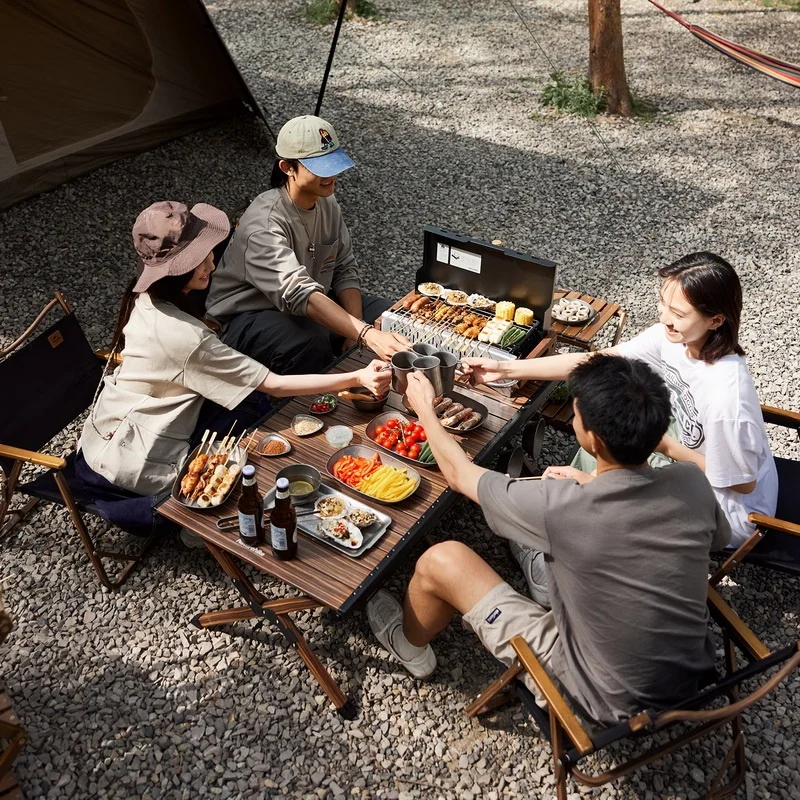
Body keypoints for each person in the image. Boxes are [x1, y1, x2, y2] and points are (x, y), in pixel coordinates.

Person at [367, 356, 731, 725]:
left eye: (576, 414)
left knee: (440, 559)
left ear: (593, 439)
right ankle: (542, 586)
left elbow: (461, 476)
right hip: (690, 673)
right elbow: (718, 538)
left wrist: (424, 410)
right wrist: (592, 483)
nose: (574, 419)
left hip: (599, 699)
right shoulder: (691, 482)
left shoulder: (562, 507)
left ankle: (409, 646)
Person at [77, 200, 390, 538]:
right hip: (131, 463)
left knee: (255, 413)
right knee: (258, 432)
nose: (214, 259)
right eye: (202, 256)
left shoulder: (148, 298)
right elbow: (273, 383)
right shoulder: (184, 336)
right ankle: (187, 525)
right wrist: (358, 376)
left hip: (107, 432)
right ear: (179, 270)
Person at [463, 252, 777, 552]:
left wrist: (658, 448)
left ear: (716, 320)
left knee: (593, 486)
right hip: (688, 454)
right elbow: (595, 361)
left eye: (679, 314)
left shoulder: (727, 398)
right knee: (603, 431)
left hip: (728, 510)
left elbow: (743, 484)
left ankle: (558, 547)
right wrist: (504, 369)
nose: (664, 318)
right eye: (663, 303)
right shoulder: (673, 339)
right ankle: (580, 504)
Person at [205, 115, 410, 374]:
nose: (332, 174)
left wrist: (357, 325)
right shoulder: (264, 223)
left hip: (311, 303)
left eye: (334, 163)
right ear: (287, 167)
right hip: (247, 317)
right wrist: (365, 335)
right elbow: (299, 293)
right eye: (320, 167)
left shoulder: (327, 201)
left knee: (390, 317)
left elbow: (344, 267)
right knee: (310, 341)